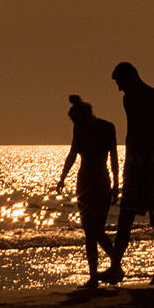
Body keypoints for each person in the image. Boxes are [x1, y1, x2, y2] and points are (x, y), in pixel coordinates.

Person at [100, 62, 154, 287]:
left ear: (130, 78)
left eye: (120, 83)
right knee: (126, 218)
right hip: (136, 162)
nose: (119, 89)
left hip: (149, 163)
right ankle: (116, 267)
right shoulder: (132, 98)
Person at [57, 94, 118, 289]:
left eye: (75, 119)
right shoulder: (101, 127)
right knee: (91, 232)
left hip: (95, 182)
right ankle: (97, 274)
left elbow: (113, 158)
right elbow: (73, 154)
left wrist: (117, 184)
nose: (75, 123)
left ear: (81, 116)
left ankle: (113, 267)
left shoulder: (105, 127)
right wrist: (62, 177)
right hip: (91, 183)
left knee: (95, 231)